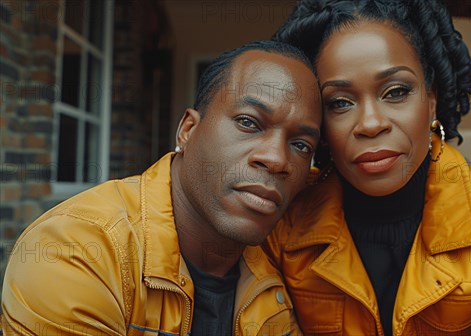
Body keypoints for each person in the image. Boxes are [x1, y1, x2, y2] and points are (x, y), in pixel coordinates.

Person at [263, 1, 471, 335]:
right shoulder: (280, 225)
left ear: (431, 100)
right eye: (340, 103)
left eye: (396, 92)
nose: (370, 124)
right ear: (318, 122)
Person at [1, 40, 321, 336]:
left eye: (301, 145)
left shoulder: (274, 281)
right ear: (187, 130)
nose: (278, 159)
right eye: (249, 122)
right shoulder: (78, 248)